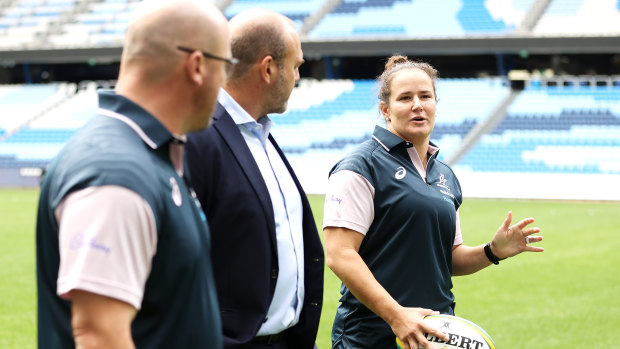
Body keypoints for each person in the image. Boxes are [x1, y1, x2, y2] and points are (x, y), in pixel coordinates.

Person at [35, 1, 233, 348]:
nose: (225, 83)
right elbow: (99, 335)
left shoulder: (148, 155)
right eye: (226, 66)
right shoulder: (115, 172)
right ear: (198, 65)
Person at [322, 55, 545, 349]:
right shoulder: (360, 166)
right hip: (370, 337)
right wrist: (396, 316)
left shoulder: (445, 174)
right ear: (385, 109)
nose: (417, 105)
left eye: (425, 96)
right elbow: (340, 255)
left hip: (436, 337)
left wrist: (492, 251)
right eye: (405, 98)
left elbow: (448, 258)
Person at [185, 8, 324, 349]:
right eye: (295, 66)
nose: (296, 77)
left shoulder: (260, 134)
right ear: (268, 69)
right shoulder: (197, 136)